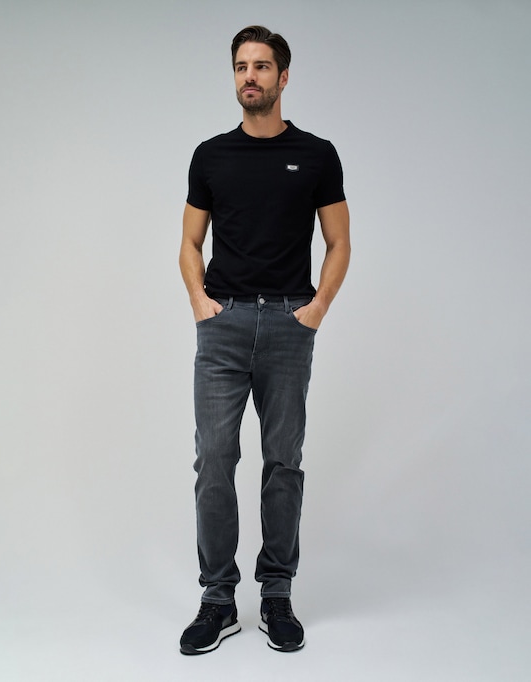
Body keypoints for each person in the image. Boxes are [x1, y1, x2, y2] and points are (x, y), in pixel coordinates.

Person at [178, 25, 350, 655]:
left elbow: (339, 242)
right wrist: (201, 305)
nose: (249, 76)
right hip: (222, 327)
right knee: (214, 461)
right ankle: (218, 600)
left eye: (261, 66)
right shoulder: (210, 156)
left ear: (283, 76)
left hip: (287, 325)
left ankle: (276, 593)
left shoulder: (317, 154)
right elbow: (189, 242)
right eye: (241, 67)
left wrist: (316, 309)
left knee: (283, 463)